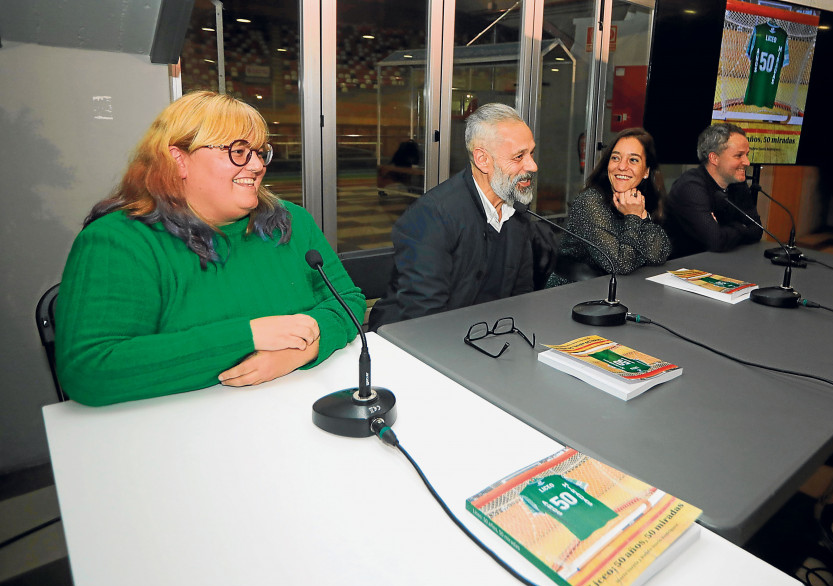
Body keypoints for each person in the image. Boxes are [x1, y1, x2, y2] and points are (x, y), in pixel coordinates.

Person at [56, 91, 364, 406]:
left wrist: (305, 348)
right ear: (179, 160)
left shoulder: (292, 222)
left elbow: (348, 301)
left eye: (259, 152)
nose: (257, 165)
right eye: (238, 151)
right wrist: (249, 335)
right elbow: (90, 369)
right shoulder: (119, 242)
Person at [368, 103, 536, 330]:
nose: (532, 166)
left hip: (482, 338)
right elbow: (424, 317)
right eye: (519, 157)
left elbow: (521, 298)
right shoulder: (432, 215)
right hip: (411, 342)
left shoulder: (517, 212)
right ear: (482, 159)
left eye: (531, 153)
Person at [544, 128, 671, 288]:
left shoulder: (637, 200)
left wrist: (642, 215)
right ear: (607, 164)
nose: (622, 166)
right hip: (573, 292)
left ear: (646, 171)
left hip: (614, 290)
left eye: (633, 160)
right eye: (616, 158)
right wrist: (633, 217)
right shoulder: (590, 201)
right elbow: (621, 264)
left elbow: (659, 254)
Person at [664, 123, 763, 258]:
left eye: (747, 154)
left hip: (722, 262)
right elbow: (716, 241)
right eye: (739, 155)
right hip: (682, 267)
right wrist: (741, 227)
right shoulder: (690, 186)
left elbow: (757, 230)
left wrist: (725, 229)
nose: (747, 162)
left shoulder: (737, 183)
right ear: (714, 158)